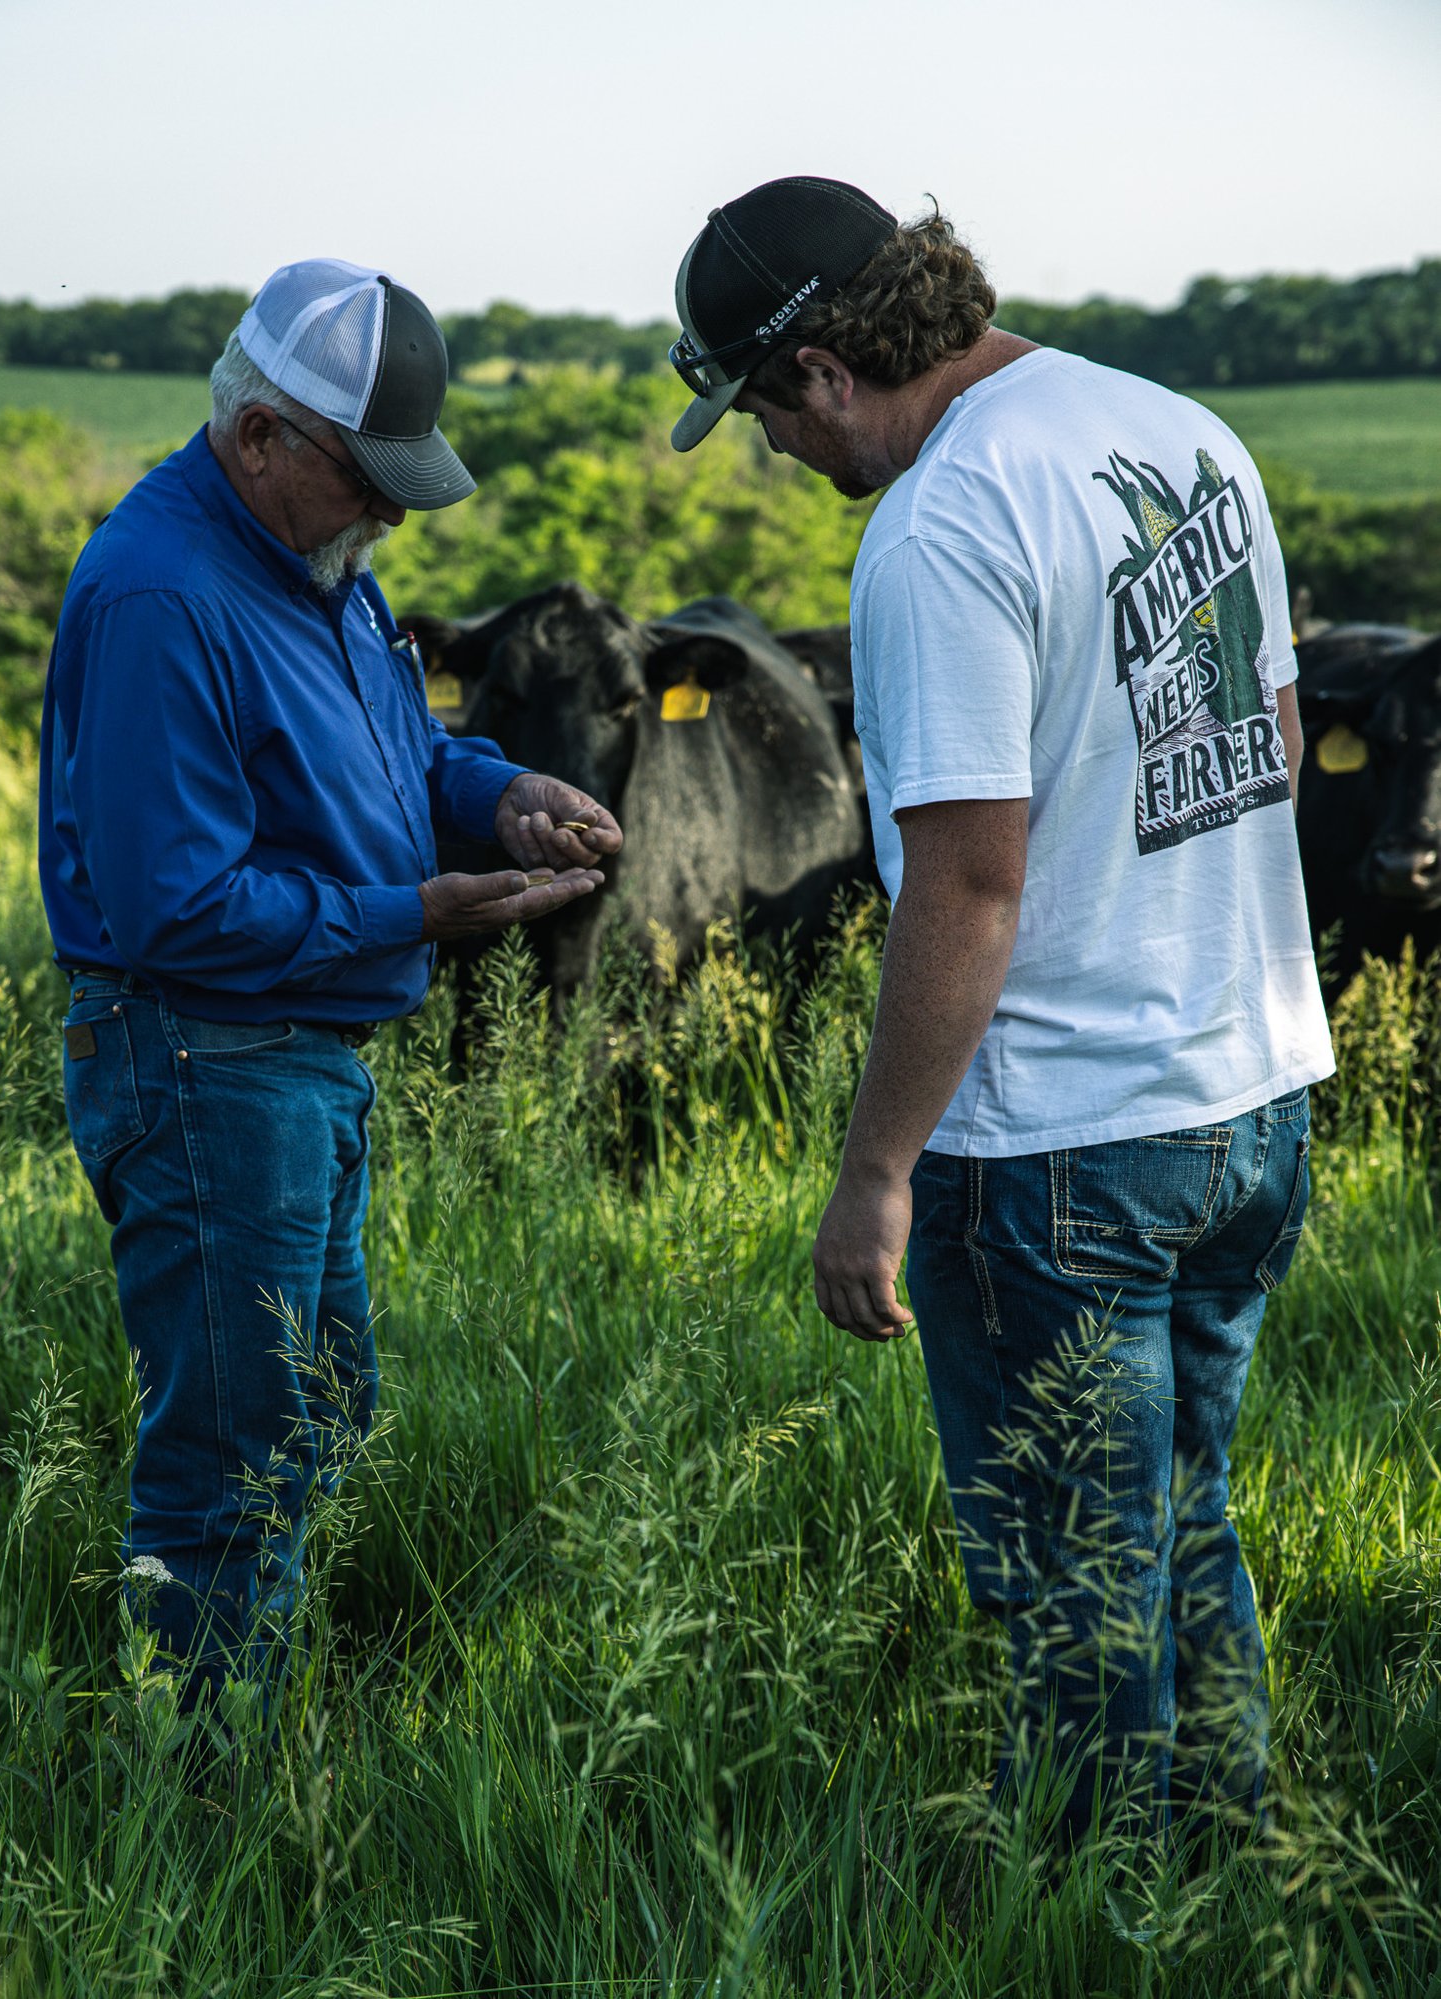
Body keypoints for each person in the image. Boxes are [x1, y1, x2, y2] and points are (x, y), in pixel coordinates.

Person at [666, 178, 1333, 1846]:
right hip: (1250, 1098)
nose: (770, 449)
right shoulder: (1181, 435)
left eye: (756, 410)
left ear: (821, 368)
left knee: (1072, 1596)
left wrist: (877, 1170)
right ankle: (1226, 1872)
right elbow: (1274, 736)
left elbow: (967, 885)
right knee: (1185, 1526)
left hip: (1061, 1146)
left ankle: (1106, 1918)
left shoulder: (943, 526)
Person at [39, 258, 621, 1700]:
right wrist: (408, 913)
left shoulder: (322, 567)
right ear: (259, 438)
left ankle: (243, 1713)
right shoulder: (161, 597)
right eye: (371, 481)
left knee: (320, 1404)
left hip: (297, 1057)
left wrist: (498, 796)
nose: (391, 514)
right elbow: (175, 911)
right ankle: (197, 1800)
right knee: (236, 1453)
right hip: (204, 1055)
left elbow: (404, 752)